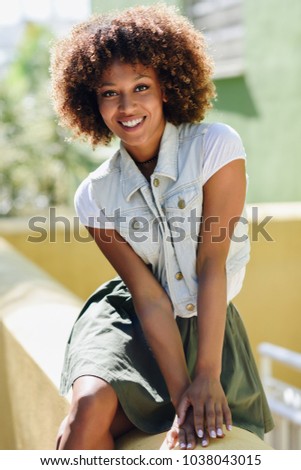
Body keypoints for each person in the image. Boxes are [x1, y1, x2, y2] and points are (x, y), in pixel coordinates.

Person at [50, 4, 274, 450]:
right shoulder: (94, 194)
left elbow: (212, 262)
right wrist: (181, 397)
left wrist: (206, 376)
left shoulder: (215, 147)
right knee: (87, 414)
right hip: (129, 318)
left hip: (202, 316)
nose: (128, 106)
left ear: (167, 87)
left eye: (141, 87)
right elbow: (147, 295)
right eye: (109, 93)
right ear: (91, 102)